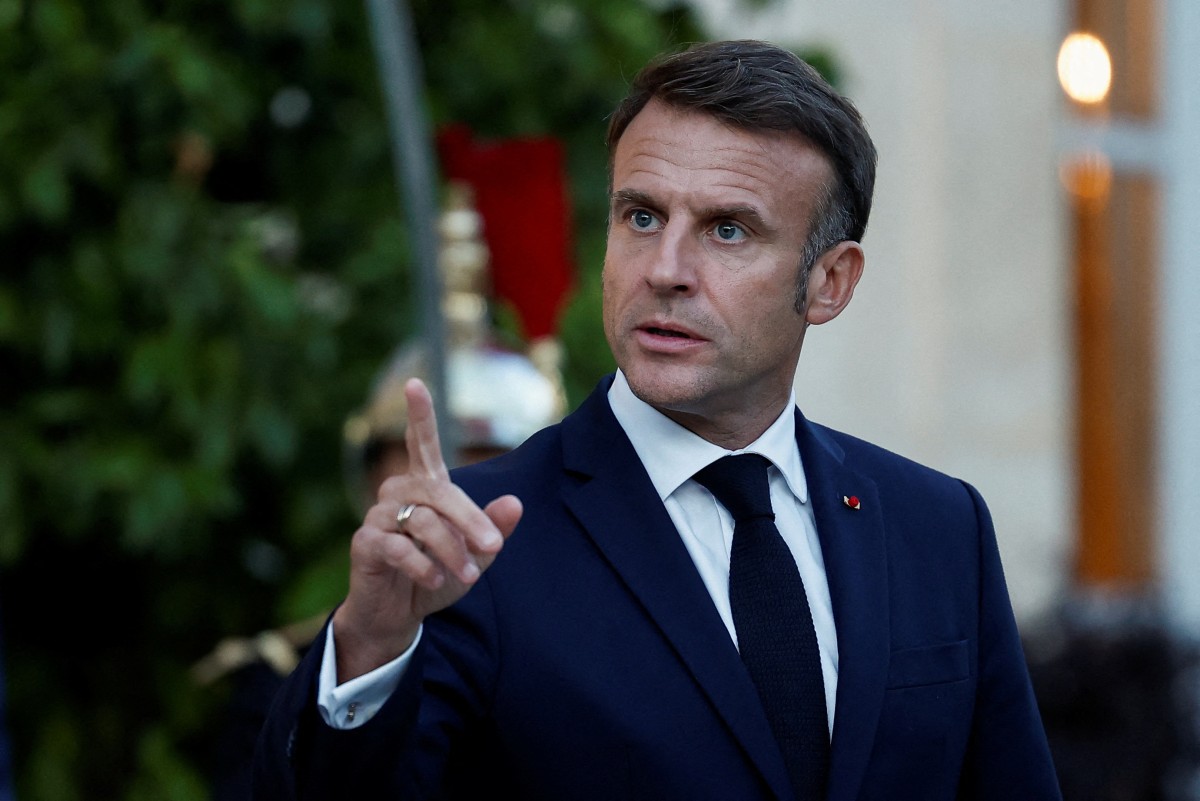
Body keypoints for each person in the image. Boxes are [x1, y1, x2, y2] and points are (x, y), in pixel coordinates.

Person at [252, 39, 1062, 800]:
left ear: (831, 281)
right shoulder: (478, 541)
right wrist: (367, 648)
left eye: (727, 229)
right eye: (641, 216)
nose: (666, 270)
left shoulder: (937, 528)